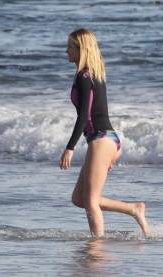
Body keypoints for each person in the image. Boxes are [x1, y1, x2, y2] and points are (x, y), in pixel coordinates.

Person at [59, 28, 148, 237]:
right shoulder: (93, 73)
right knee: (79, 199)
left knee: (90, 201)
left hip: (101, 140)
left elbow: (83, 116)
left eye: (70, 47)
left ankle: (96, 248)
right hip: (107, 140)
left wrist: (69, 148)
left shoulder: (84, 76)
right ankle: (132, 209)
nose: (66, 51)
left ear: (81, 49)